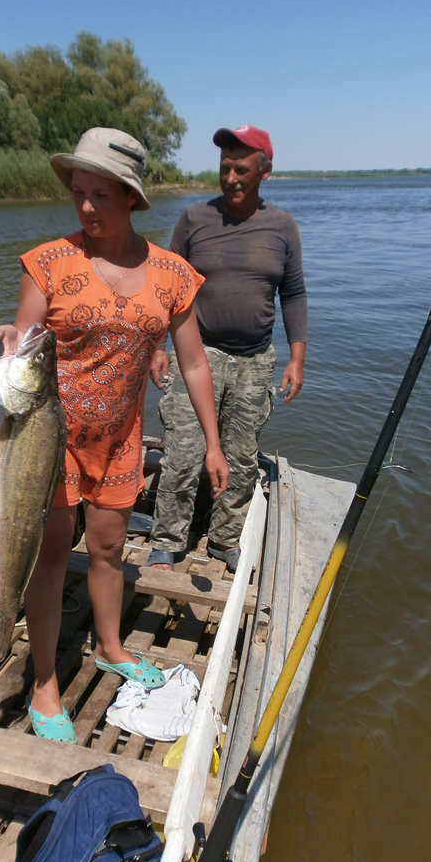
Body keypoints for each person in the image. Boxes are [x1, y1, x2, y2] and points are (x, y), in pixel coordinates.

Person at [0, 127, 229, 743]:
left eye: (101, 194)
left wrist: (212, 443)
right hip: (48, 442)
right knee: (51, 556)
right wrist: (10, 348)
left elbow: (193, 363)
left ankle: (110, 646)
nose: (87, 206)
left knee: (107, 550)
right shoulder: (47, 264)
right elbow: (22, 351)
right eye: (79, 192)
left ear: (131, 197)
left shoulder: (172, 275)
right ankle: (45, 680)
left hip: (120, 439)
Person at [148, 125, 307, 573]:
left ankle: (224, 538)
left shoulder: (283, 227)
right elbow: (166, 288)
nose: (231, 178)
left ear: (265, 172)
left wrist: (297, 357)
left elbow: (294, 293)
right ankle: (167, 539)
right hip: (195, 355)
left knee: (240, 455)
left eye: (242, 169)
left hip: (255, 360)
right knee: (183, 449)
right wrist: (158, 346)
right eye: (225, 168)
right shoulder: (194, 219)